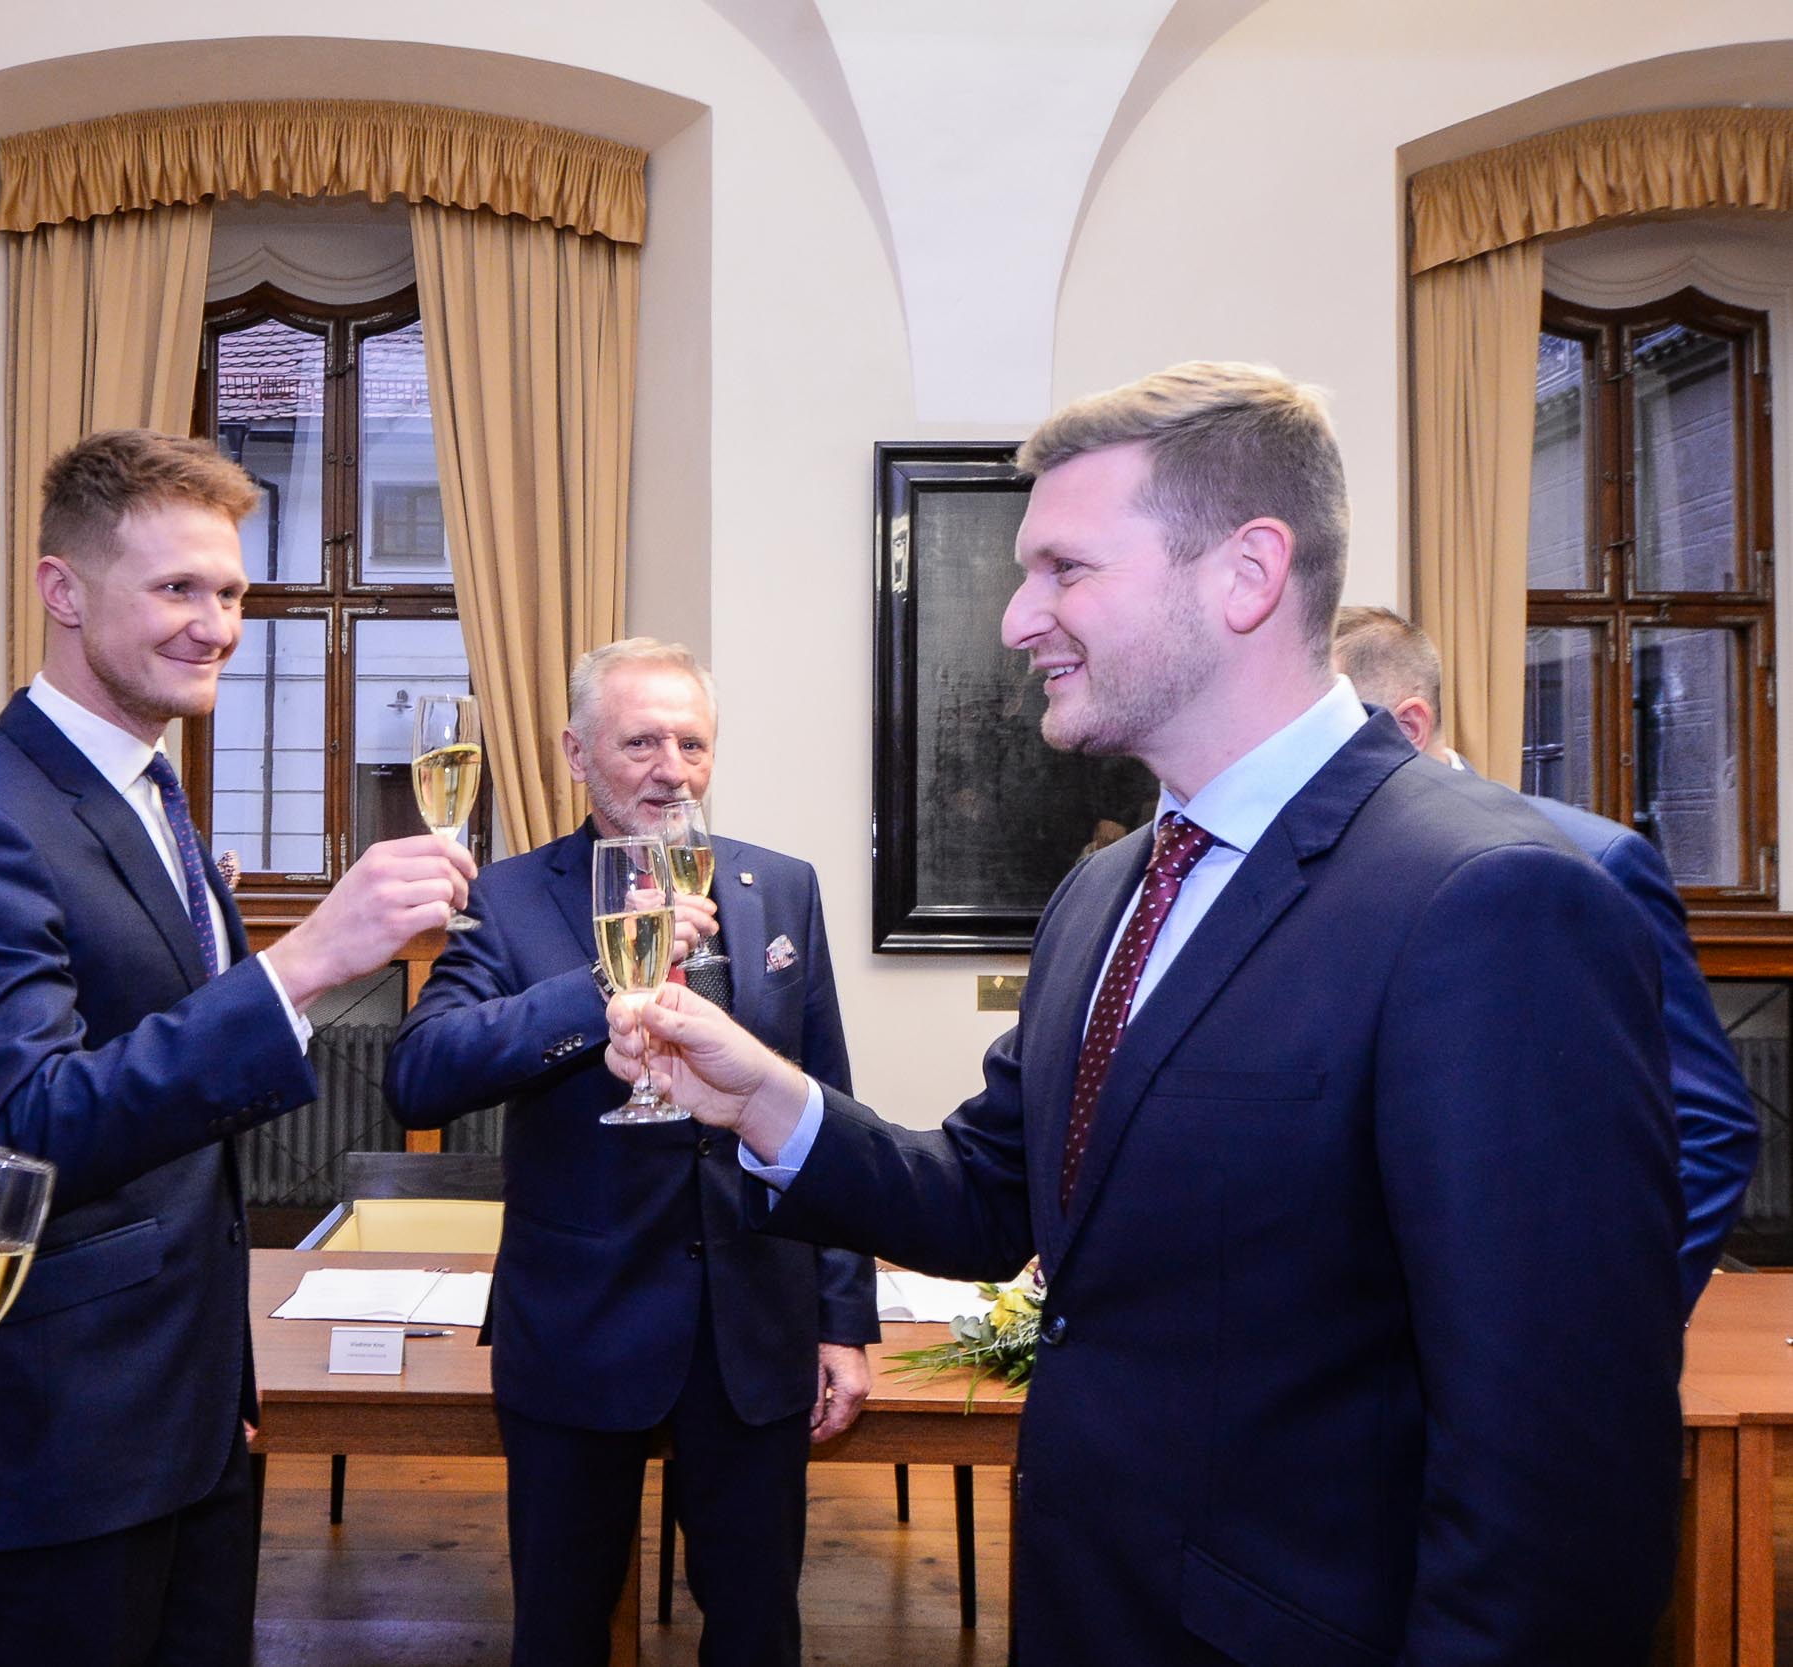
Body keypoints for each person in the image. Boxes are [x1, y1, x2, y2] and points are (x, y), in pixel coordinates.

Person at [610, 363, 1684, 1664]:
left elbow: (1556, 1463)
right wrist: (757, 1094)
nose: (1017, 619)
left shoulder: (1489, 895)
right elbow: (989, 1191)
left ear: (1244, 573)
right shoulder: (1107, 888)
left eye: (1065, 569)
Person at [0, 427, 474, 1667]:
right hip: (58, 1425)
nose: (217, 624)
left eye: (234, 591)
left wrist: (222, 1390)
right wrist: (301, 962)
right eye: (177, 589)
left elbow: (160, 1104)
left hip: (180, 1410)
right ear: (62, 590)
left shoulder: (151, 791)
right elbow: (21, 1125)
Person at [384, 638, 877, 1667]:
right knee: (561, 1628)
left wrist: (841, 1316)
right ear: (574, 751)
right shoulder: (514, 897)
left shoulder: (777, 887)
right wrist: (601, 982)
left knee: (755, 1628)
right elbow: (420, 1073)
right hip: (578, 1325)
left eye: (691, 742)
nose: (672, 768)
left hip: (752, 1324)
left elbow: (826, 1105)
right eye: (640, 740)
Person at [1332, 603, 1756, 1307]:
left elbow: (1708, 1129)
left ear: (1409, 727)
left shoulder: (1592, 863)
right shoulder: (1318, 873)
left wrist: (1618, 1329)